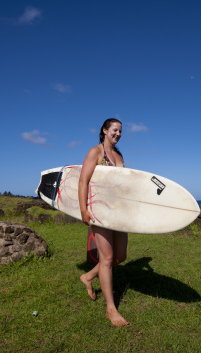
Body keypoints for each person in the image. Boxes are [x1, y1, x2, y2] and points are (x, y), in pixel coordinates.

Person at [78, 118, 129, 327]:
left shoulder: (119, 155)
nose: (117, 134)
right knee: (106, 258)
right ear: (105, 130)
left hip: (118, 212)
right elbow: (83, 180)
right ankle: (111, 308)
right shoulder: (95, 152)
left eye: (120, 131)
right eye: (114, 130)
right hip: (100, 211)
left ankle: (89, 276)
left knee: (120, 256)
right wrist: (83, 209)